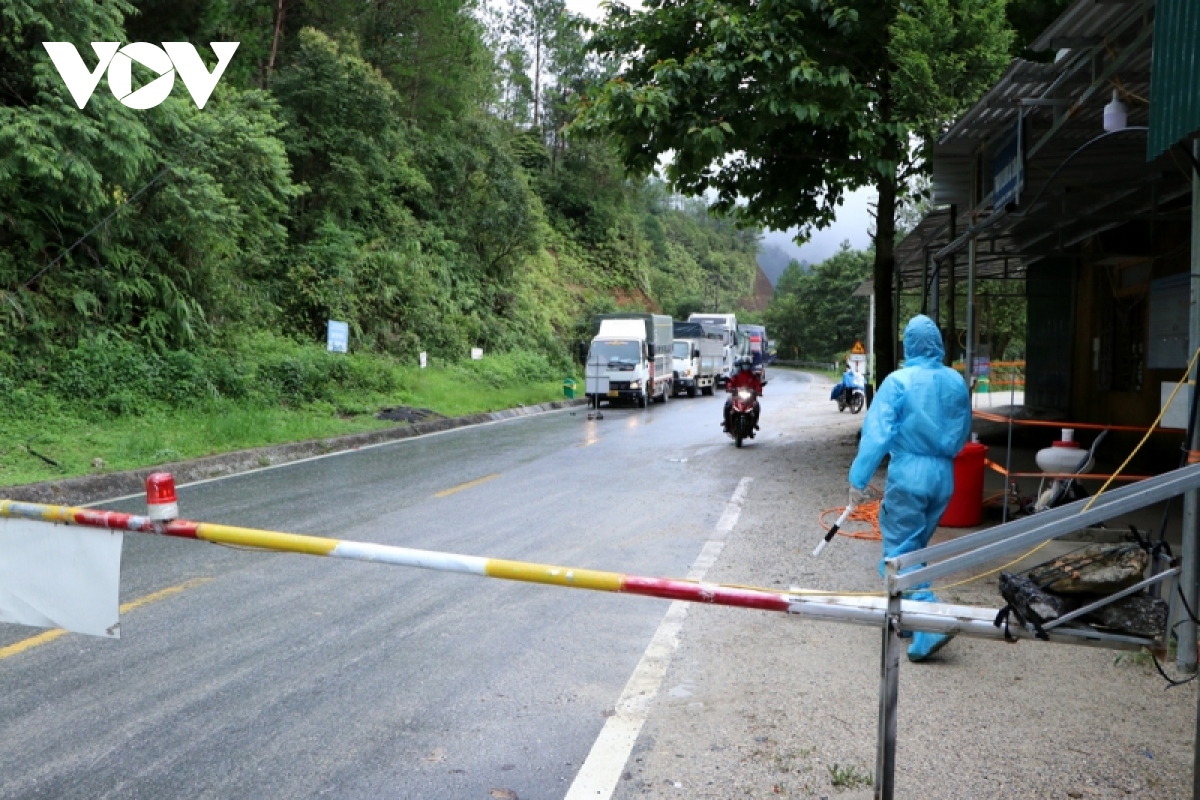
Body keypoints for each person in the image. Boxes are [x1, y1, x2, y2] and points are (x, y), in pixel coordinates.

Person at [847, 315, 972, 662]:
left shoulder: (898, 382)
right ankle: (909, 618)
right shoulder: (955, 381)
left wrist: (858, 479)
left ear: (907, 344)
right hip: (944, 474)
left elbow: (877, 434)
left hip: (911, 470)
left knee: (901, 551)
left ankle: (929, 622)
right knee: (915, 547)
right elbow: (963, 432)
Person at [723, 356, 763, 432]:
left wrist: (758, 391)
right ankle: (727, 423)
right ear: (741, 365)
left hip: (750, 398)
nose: (746, 366)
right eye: (744, 364)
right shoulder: (736, 375)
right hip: (737, 396)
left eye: (747, 364)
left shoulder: (753, 376)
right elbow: (731, 382)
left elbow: (758, 385)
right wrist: (730, 388)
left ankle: (754, 423)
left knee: (757, 406)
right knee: (728, 405)